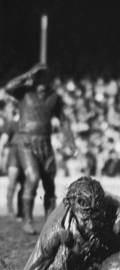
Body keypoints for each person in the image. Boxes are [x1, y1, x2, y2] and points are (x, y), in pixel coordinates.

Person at [4, 63, 76, 234]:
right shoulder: (25, 92)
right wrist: (28, 73)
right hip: (26, 141)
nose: (42, 80)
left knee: (49, 182)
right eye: (39, 76)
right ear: (35, 78)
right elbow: (8, 87)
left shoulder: (54, 97)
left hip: (45, 142)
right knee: (33, 177)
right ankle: (27, 220)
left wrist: (70, 141)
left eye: (45, 76)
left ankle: (50, 222)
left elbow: (64, 120)